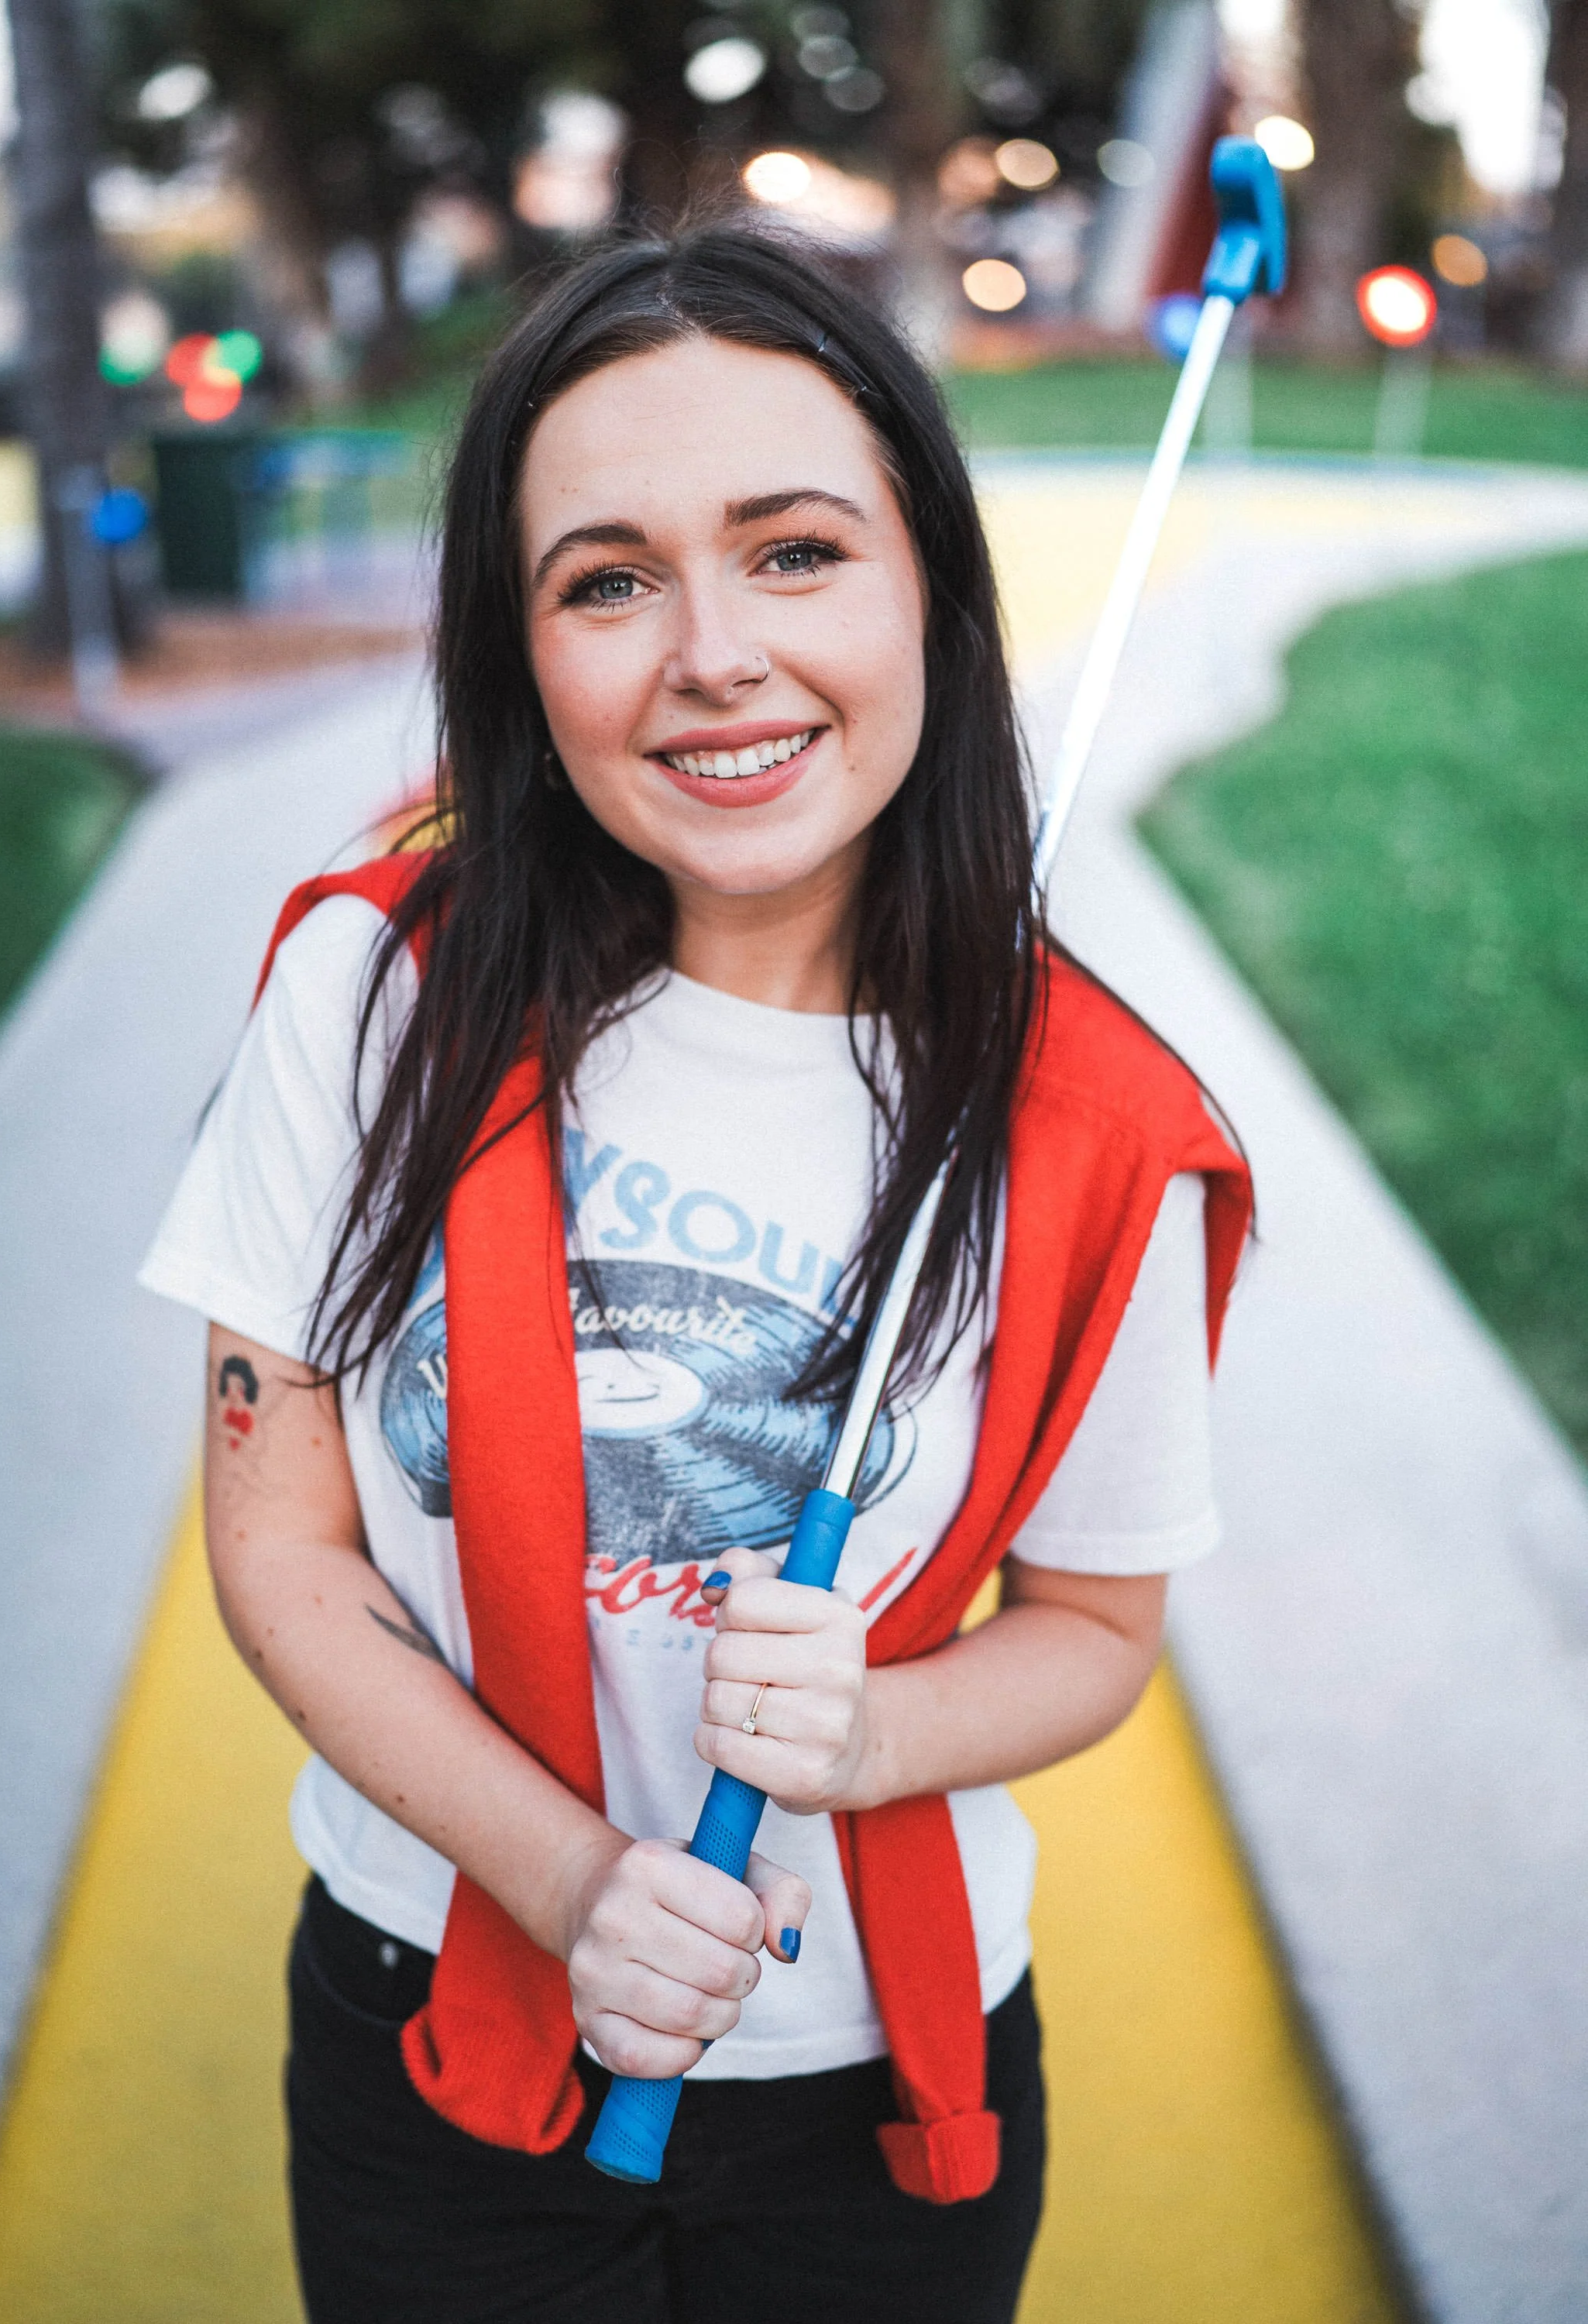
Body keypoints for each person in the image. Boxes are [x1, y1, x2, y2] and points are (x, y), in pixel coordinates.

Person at [140, 222, 1250, 2324]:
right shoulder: (370, 991)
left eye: (796, 550)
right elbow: (281, 1547)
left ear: (930, 579)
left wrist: (874, 1734)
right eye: (608, 580)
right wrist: (571, 1884)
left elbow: (1096, 1632)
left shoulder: (1096, 1123)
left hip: (871, 2095)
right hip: (426, 2034)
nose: (711, 654)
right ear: (519, 647)